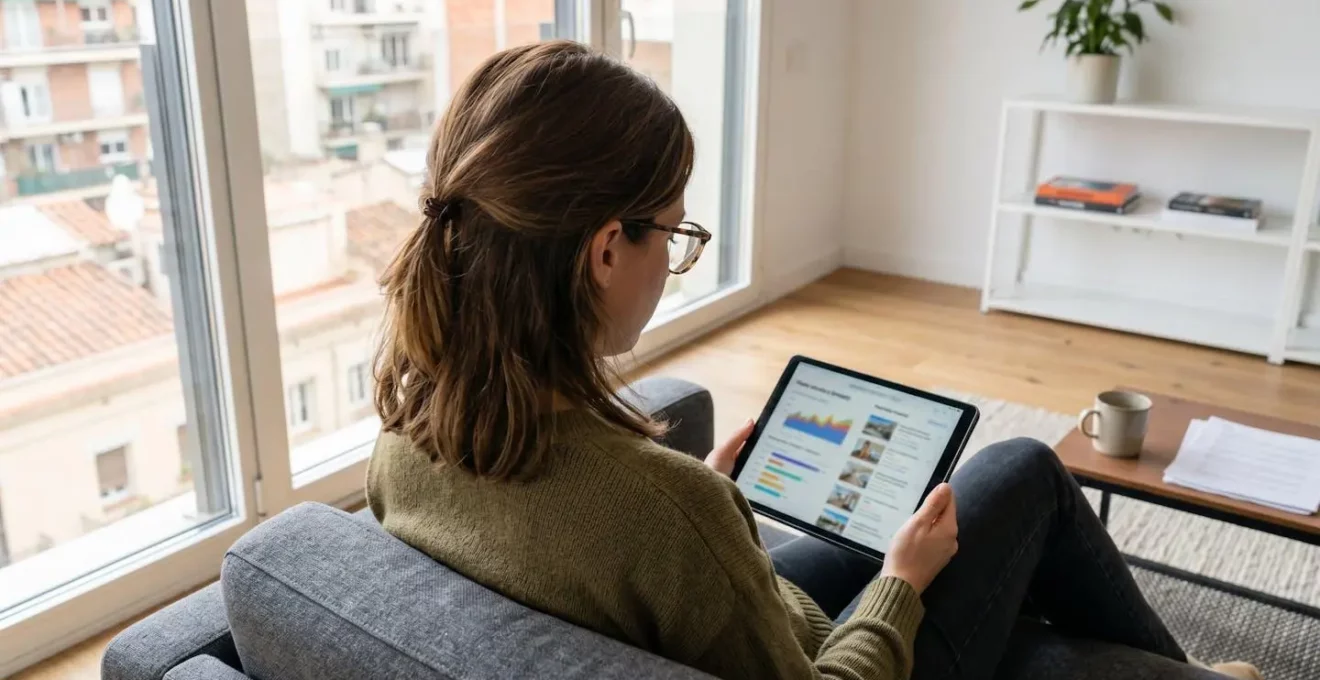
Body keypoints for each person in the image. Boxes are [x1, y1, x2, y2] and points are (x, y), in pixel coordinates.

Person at [365, 41, 1261, 680]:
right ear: (605, 251)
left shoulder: (403, 442)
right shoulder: (672, 513)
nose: (675, 259)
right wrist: (901, 584)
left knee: (962, 572)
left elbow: (585, 544)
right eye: (674, 232)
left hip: (728, 615)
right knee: (1022, 470)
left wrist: (711, 499)